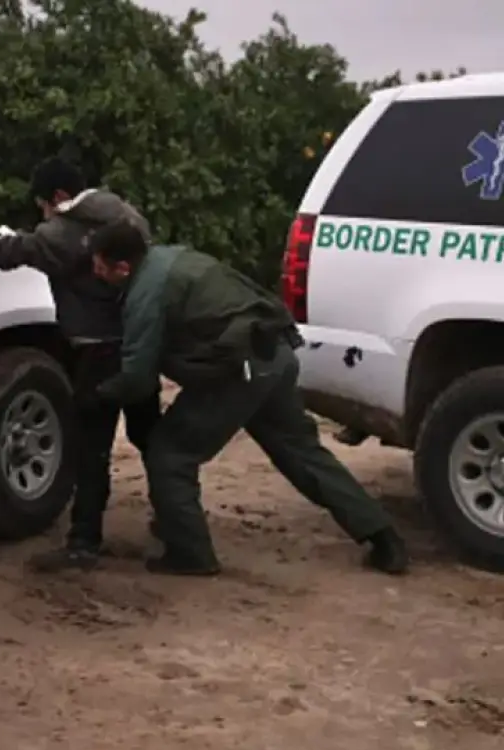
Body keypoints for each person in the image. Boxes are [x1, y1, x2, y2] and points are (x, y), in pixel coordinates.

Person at [86, 219, 410, 576]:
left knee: (170, 452)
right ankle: (383, 537)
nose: (95, 274)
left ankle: (190, 554)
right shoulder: (171, 258)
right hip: (273, 354)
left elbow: (137, 376)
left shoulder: (145, 293)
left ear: (123, 267)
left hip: (239, 371)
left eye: (100, 267)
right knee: (303, 454)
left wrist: (96, 395)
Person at [0, 157, 162, 572]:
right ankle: (171, 523)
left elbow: (15, 250)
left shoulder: (65, 231)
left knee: (92, 450)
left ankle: (83, 543)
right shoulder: (125, 214)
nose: (43, 216)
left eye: (43, 206)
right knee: (152, 438)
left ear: (58, 198)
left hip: (95, 352)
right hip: (138, 345)